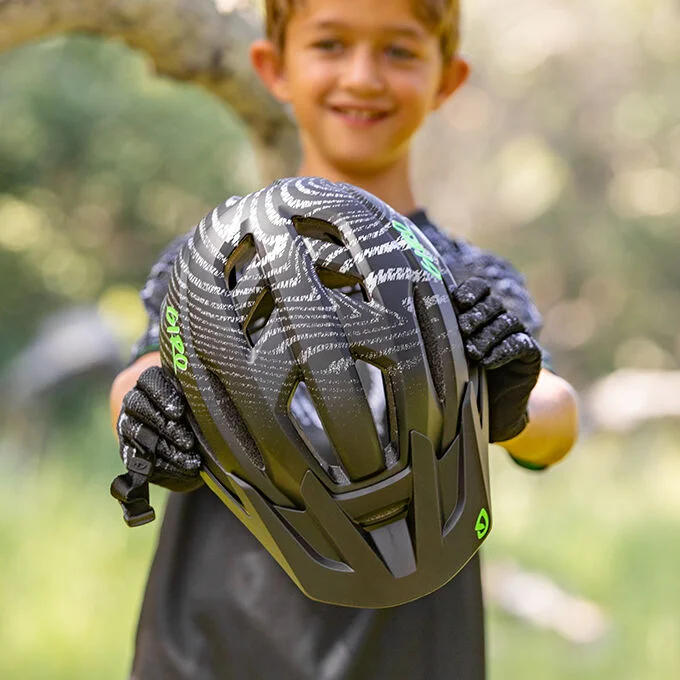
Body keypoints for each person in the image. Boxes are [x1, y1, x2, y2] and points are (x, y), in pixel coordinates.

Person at [109, 1, 579, 678]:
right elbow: (143, 372)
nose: (363, 77)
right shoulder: (211, 267)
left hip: (409, 653)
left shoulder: (468, 278)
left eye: (399, 52)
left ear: (447, 78)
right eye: (330, 44)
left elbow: (557, 420)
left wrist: (510, 396)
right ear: (274, 67)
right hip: (206, 651)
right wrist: (144, 406)